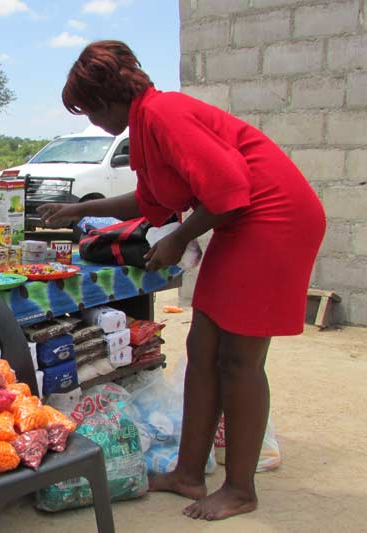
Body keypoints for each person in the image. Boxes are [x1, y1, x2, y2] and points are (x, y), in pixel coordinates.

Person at [38, 41, 325, 521]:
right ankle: (188, 472)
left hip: (273, 220)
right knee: (204, 347)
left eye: (89, 111)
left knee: (239, 361)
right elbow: (152, 201)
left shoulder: (165, 114)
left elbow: (232, 190)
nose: (92, 122)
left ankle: (240, 488)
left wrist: (177, 241)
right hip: (240, 222)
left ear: (107, 99)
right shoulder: (147, 127)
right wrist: (80, 209)